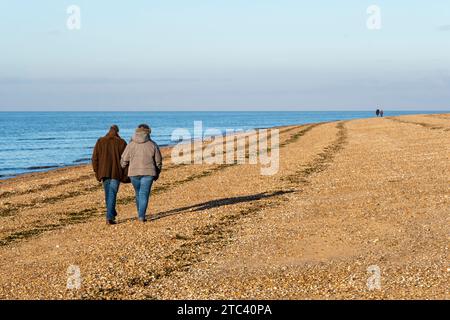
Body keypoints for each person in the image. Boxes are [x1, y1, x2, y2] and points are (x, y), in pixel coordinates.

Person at [121, 124, 162, 223]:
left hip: (134, 173)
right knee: (143, 194)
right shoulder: (152, 145)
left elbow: (123, 160)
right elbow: (158, 161)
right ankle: (141, 216)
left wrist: (123, 167)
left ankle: (140, 214)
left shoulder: (131, 145)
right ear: (148, 133)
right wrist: (157, 172)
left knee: (138, 193)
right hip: (148, 172)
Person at [92, 125, 128, 225]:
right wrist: (125, 173)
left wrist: (97, 172)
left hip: (104, 173)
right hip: (116, 172)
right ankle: (110, 216)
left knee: (108, 193)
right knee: (111, 193)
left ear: (108, 131)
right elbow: (126, 159)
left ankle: (111, 212)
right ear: (117, 132)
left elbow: (94, 158)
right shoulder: (121, 142)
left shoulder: (100, 141)